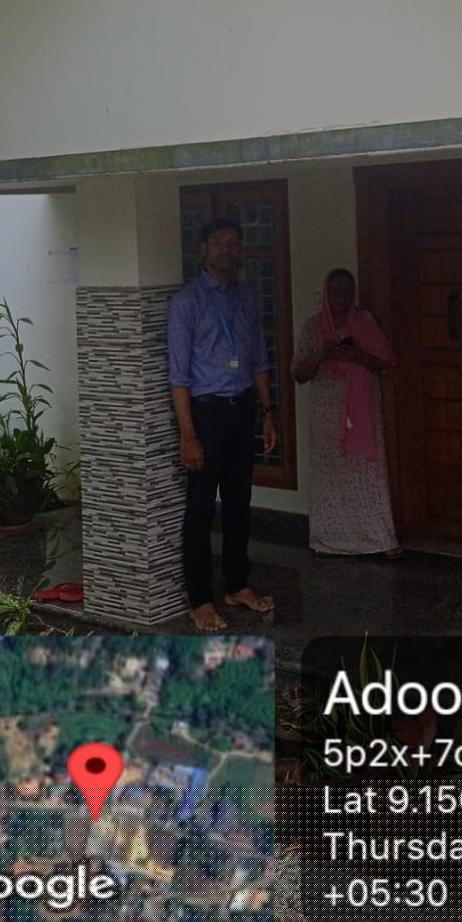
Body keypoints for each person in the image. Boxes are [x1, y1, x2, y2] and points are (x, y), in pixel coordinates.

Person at [168, 217, 277, 633]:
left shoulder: (247, 299)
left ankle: (237, 585)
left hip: (242, 408)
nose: (226, 249)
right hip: (206, 412)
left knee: (238, 504)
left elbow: (258, 360)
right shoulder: (187, 303)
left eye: (233, 243)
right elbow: (179, 376)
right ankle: (199, 599)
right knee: (200, 509)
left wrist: (268, 414)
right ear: (203, 250)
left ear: (240, 250)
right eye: (217, 242)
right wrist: (189, 435)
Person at [292, 268, 401, 557]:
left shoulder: (364, 322)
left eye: (347, 291)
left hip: (361, 416)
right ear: (326, 294)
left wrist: (358, 356)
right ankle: (328, 540)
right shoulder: (312, 328)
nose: (341, 298)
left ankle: (380, 540)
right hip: (326, 417)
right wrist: (321, 355)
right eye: (335, 292)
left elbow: (385, 361)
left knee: (367, 474)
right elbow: (298, 374)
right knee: (329, 476)